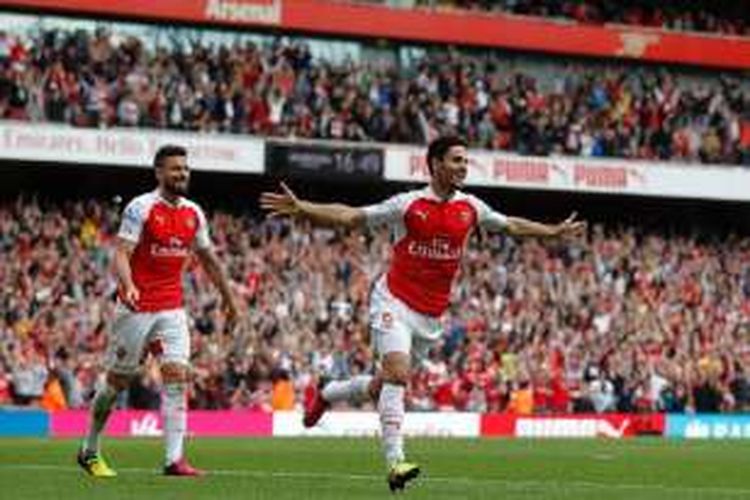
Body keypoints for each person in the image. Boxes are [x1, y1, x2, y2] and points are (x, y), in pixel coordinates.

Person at [260, 135, 585, 491]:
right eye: (457, 160)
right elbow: (353, 216)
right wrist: (303, 208)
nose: (464, 166)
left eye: (465, 160)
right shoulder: (408, 204)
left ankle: (329, 393)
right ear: (434, 164)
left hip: (430, 316)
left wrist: (553, 231)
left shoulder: (471, 208)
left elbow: (511, 225)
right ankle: (396, 463)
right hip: (393, 301)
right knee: (397, 374)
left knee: (382, 383)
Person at [77, 145, 240, 478]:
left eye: (185, 168)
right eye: (174, 168)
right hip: (135, 308)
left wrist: (229, 298)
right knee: (117, 383)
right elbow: (121, 252)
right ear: (159, 173)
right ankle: (89, 448)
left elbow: (208, 259)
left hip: (172, 308)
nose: (181, 174)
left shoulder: (194, 213)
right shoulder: (141, 207)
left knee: (177, 377)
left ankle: (174, 460)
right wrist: (129, 284)